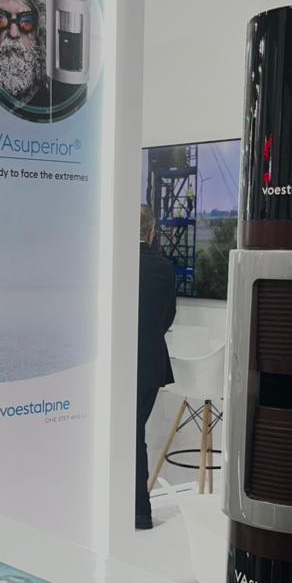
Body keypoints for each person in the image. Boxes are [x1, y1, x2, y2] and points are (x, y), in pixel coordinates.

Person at [136, 205, 176, 530]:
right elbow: (167, 317)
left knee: (129, 435)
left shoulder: (112, 263)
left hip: (119, 363)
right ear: (152, 233)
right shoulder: (163, 267)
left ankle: (138, 510)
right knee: (135, 434)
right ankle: (138, 510)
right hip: (150, 363)